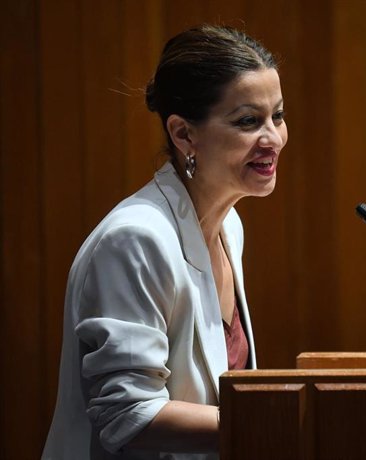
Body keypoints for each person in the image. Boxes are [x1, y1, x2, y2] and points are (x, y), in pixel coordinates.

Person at [42, 25, 288, 459]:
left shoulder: (230, 227)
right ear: (183, 134)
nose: (273, 138)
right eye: (249, 121)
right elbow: (128, 416)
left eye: (278, 116)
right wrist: (276, 420)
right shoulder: (136, 239)